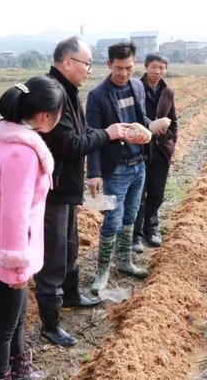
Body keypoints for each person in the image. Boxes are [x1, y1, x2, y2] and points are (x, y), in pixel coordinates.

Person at [34, 37, 131, 347]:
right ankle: (50, 323)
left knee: (70, 247)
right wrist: (108, 134)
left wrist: (108, 132)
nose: (89, 69)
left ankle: (72, 296)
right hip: (54, 191)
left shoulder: (69, 91)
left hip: (67, 188)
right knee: (54, 256)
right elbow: (70, 144)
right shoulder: (53, 94)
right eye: (86, 63)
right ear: (67, 62)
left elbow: (81, 132)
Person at [0, 76, 64, 380]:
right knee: (2, 327)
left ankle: (20, 372)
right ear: (46, 116)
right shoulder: (22, 153)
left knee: (16, 318)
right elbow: (14, 216)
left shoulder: (4, 138)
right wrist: (15, 271)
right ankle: (2, 375)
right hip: (2, 257)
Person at [86, 41, 159, 292]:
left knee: (131, 215)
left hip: (139, 164)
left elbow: (139, 120)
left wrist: (152, 128)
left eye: (129, 67)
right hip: (115, 169)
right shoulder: (97, 96)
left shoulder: (137, 85)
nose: (124, 73)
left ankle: (125, 261)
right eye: (119, 68)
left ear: (134, 64)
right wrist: (93, 173)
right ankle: (103, 269)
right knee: (112, 220)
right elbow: (94, 137)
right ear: (109, 65)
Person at [132, 53, 178, 252]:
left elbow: (174, 120)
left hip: (160, 150)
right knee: (138, 195)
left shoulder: (168, 92)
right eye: (153, 67)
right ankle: (135, 235)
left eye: (161, 67)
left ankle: (151, 229)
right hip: (140, 148)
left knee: (157, 193)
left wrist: (171, 142)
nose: (157, 71)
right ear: (145, 66)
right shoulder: (135, 88)